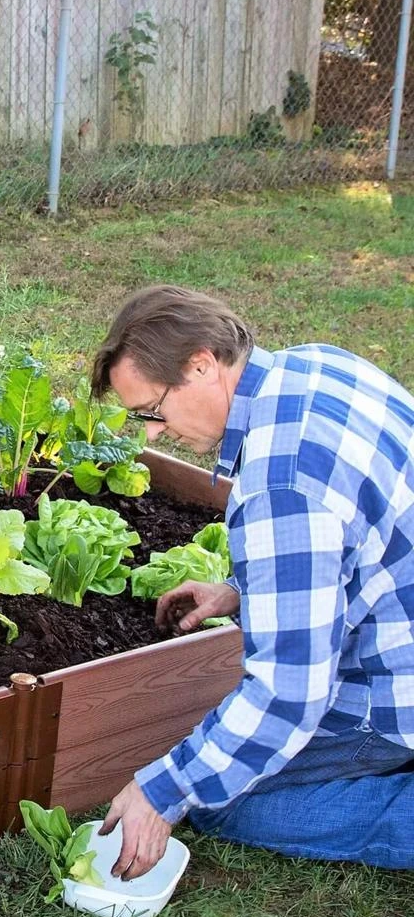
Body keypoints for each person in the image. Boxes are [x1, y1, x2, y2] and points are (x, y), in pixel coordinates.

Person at [90, 284, 414, 877]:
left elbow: (289, 695)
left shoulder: (280, 483)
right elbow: (362, 536)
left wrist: (163, 792)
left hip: (395, 698)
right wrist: (244, 591)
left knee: (223, 800)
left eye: (153, 410)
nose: (152, 434)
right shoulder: (317, 366)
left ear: (201, 364)